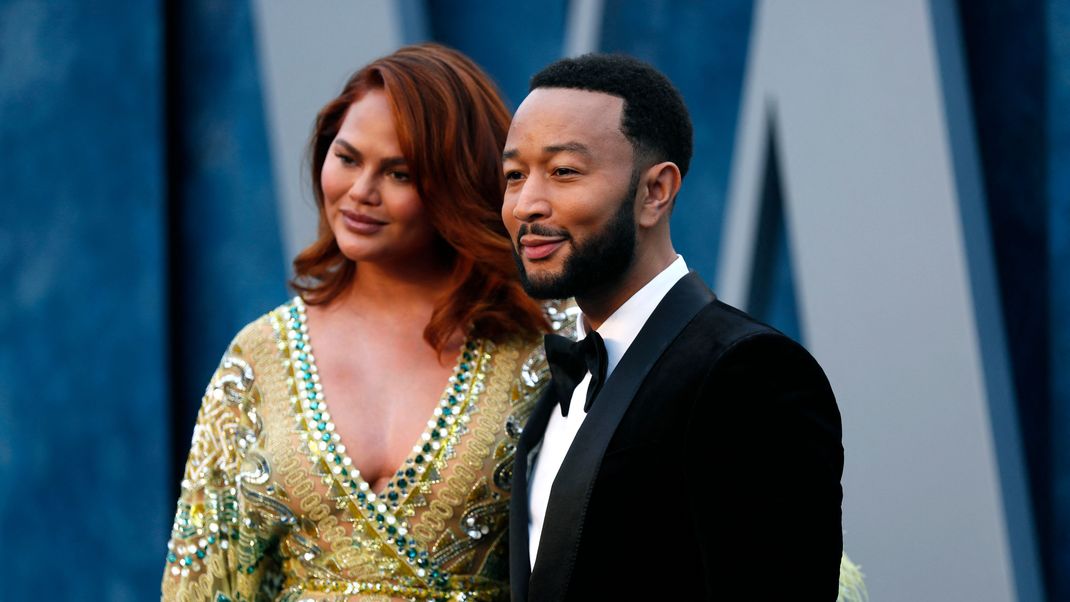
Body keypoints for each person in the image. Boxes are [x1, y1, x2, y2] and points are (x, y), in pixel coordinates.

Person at [161, 43, 554, 602]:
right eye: (347, 159)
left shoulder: (543, 344)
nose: (360, 193)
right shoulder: (259, 358)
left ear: (455, 185)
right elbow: (202, 580)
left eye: (398, 173)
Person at [501, 53, 848, 600]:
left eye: (564, 171)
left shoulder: (749, 372)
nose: (526, 204)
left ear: (655, 192)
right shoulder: (557, 387)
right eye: (514, 175)